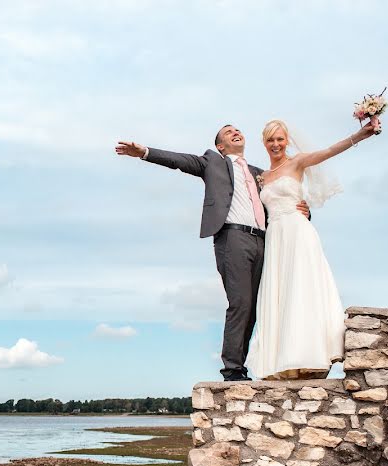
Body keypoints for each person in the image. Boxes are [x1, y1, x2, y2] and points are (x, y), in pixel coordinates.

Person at [115, 126, 309, 381]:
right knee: (240, 302)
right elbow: (178, 161)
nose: (235, 132)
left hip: (264, 241)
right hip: (233, 238)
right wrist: (144, 152)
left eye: (237, 129)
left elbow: (281, 201)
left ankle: (250, 365)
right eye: (228, 132)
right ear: (221, 146)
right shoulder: (212, 162)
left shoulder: (259, 174)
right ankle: (232, 369)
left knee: (255, 307)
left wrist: (304, 211)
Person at [244, 119, 377, 380]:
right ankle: (283, 361)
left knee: (302, 288)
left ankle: (310, 355)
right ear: (264, 143)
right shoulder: (262, 177)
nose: (276, 144)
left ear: (287, 141)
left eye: (280, 139)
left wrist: (360, 135)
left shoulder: (297, 163)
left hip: (297, 232)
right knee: (280, 293)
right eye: (271, 140)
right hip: (275, 238)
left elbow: (327, 152)